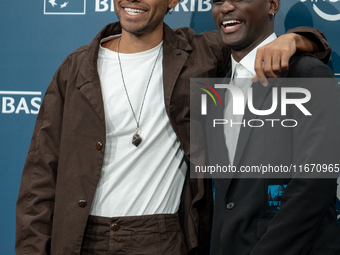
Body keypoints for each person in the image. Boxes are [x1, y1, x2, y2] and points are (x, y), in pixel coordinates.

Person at [15, 0, 332, 254]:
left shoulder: (200, 54)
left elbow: (257, 42)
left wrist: (297, 38)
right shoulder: (76, 67)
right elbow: (40, 173)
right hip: (80, 234)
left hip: (163, 237)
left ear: (173, 1)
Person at [206, 0, 340, 254]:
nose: (224, 8)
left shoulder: (308, 74)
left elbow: (313, 187)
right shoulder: (216, 91)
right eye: (217, 1)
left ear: (273, 5)